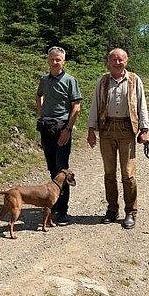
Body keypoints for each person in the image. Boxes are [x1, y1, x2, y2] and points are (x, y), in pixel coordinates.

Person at [87, 48, 149, 229]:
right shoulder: (103, 81)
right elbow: (95, 104)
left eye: (120, 59)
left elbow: (141, 103)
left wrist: (144, 129)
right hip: (106, 130)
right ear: (109, 61)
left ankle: (130, 211)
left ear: (126, 61)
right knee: (109, 173)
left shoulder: (134, 80)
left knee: (128, 174)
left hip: (126, 129)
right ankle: (112, 209)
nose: (117, 62)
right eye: (114, 59)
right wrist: (91, 129)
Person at [36, 46, 82, 226]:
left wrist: (68, 129)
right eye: (52, 59)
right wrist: (41, 113)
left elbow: (76, 106)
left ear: (63, 62)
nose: (55, 62)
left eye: (58, 59)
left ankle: (62, 211)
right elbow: (38, 96)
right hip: (47, 127)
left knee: (62, 170)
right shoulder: (44, 80)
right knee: (51, 168)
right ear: (48, 60)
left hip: (62, 128)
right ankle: (53, 205)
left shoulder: (70, 81)